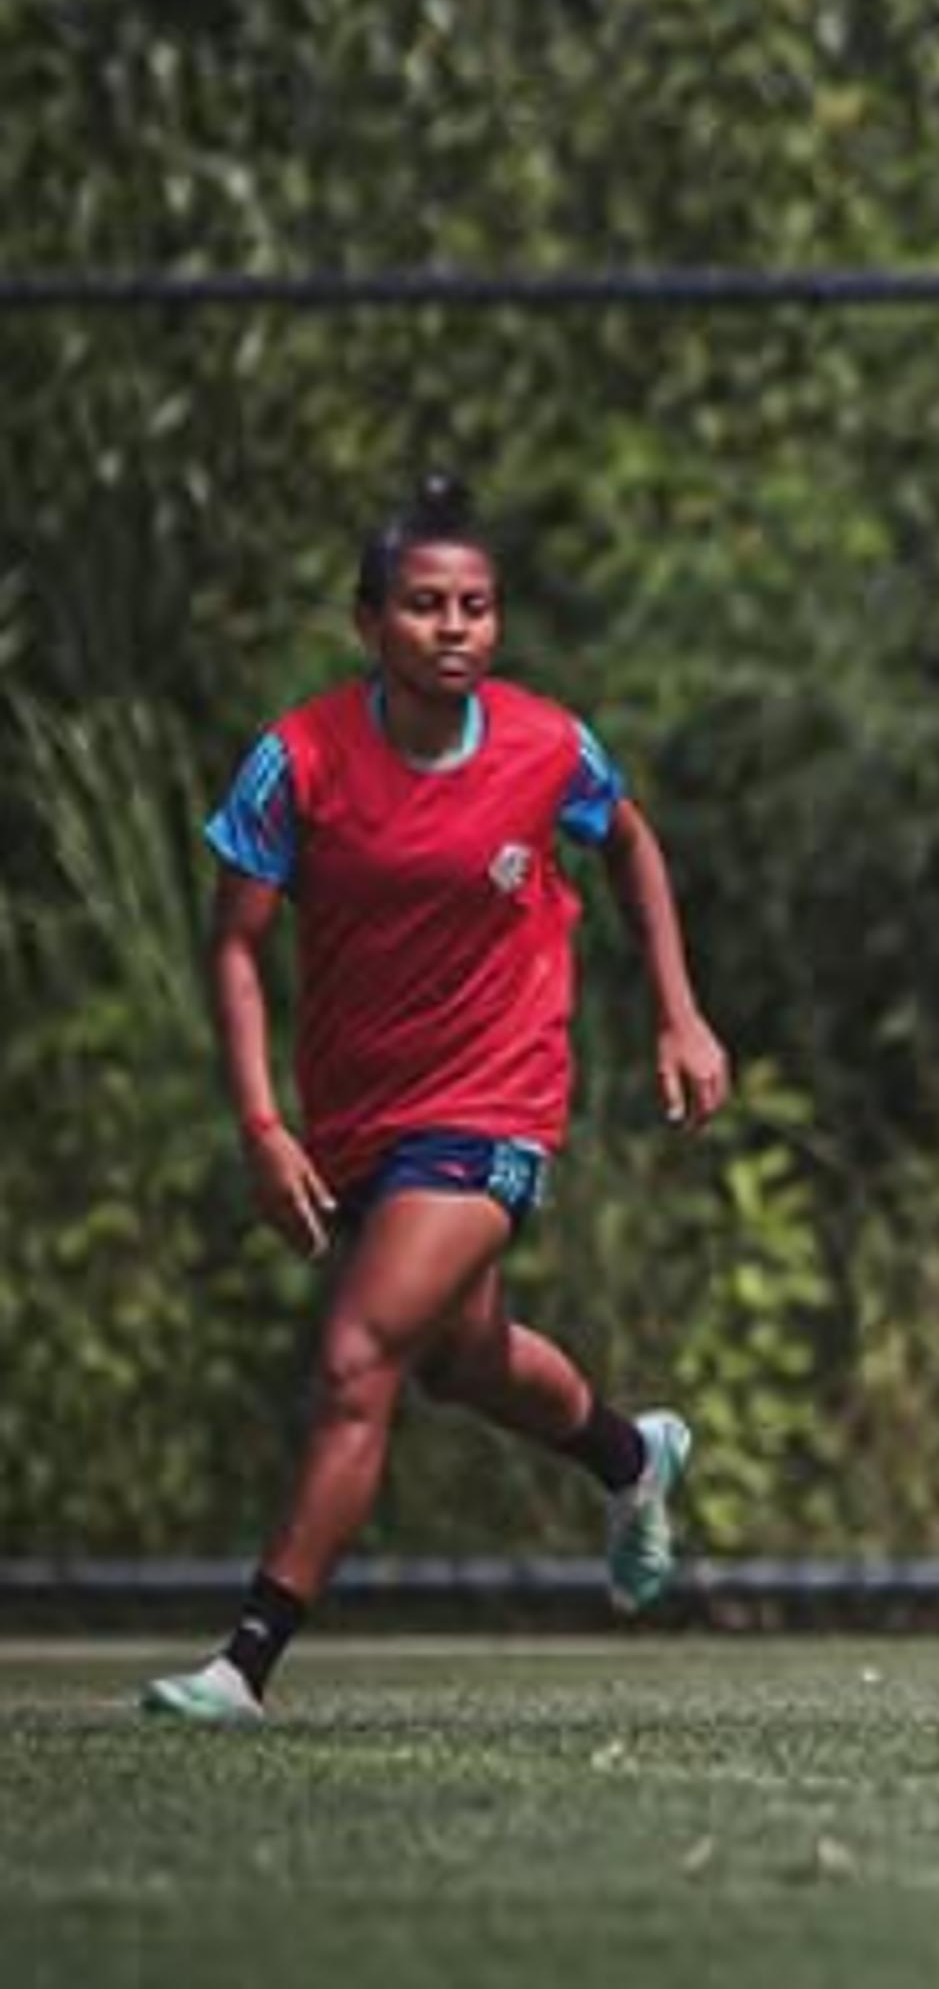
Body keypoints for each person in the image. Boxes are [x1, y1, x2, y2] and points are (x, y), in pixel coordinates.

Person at [140, 475, 730, 1724]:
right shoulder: (296, 761)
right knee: (459, 1359)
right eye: (424, 606)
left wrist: (680, 1013)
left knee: (360, 1359)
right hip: (360, 1113)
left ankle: (244, 1661)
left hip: (497, 1098)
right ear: (369, 626)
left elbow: (627, 841)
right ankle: (633, 1456)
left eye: (475, 606)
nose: (455, 627)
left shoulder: (545, 746)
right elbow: (236, 946)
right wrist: (260, 1123)